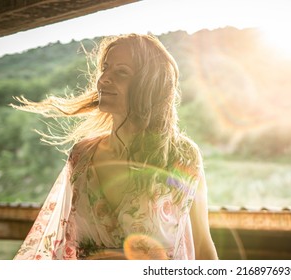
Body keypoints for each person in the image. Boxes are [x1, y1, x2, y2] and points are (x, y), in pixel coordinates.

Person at [12, 33, 218, 260]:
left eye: (121, 72)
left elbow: (202, 245)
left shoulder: (182, 156)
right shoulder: (81, 156)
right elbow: (61, 244)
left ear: (149, 85)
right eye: (105, 68)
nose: (103, 80)